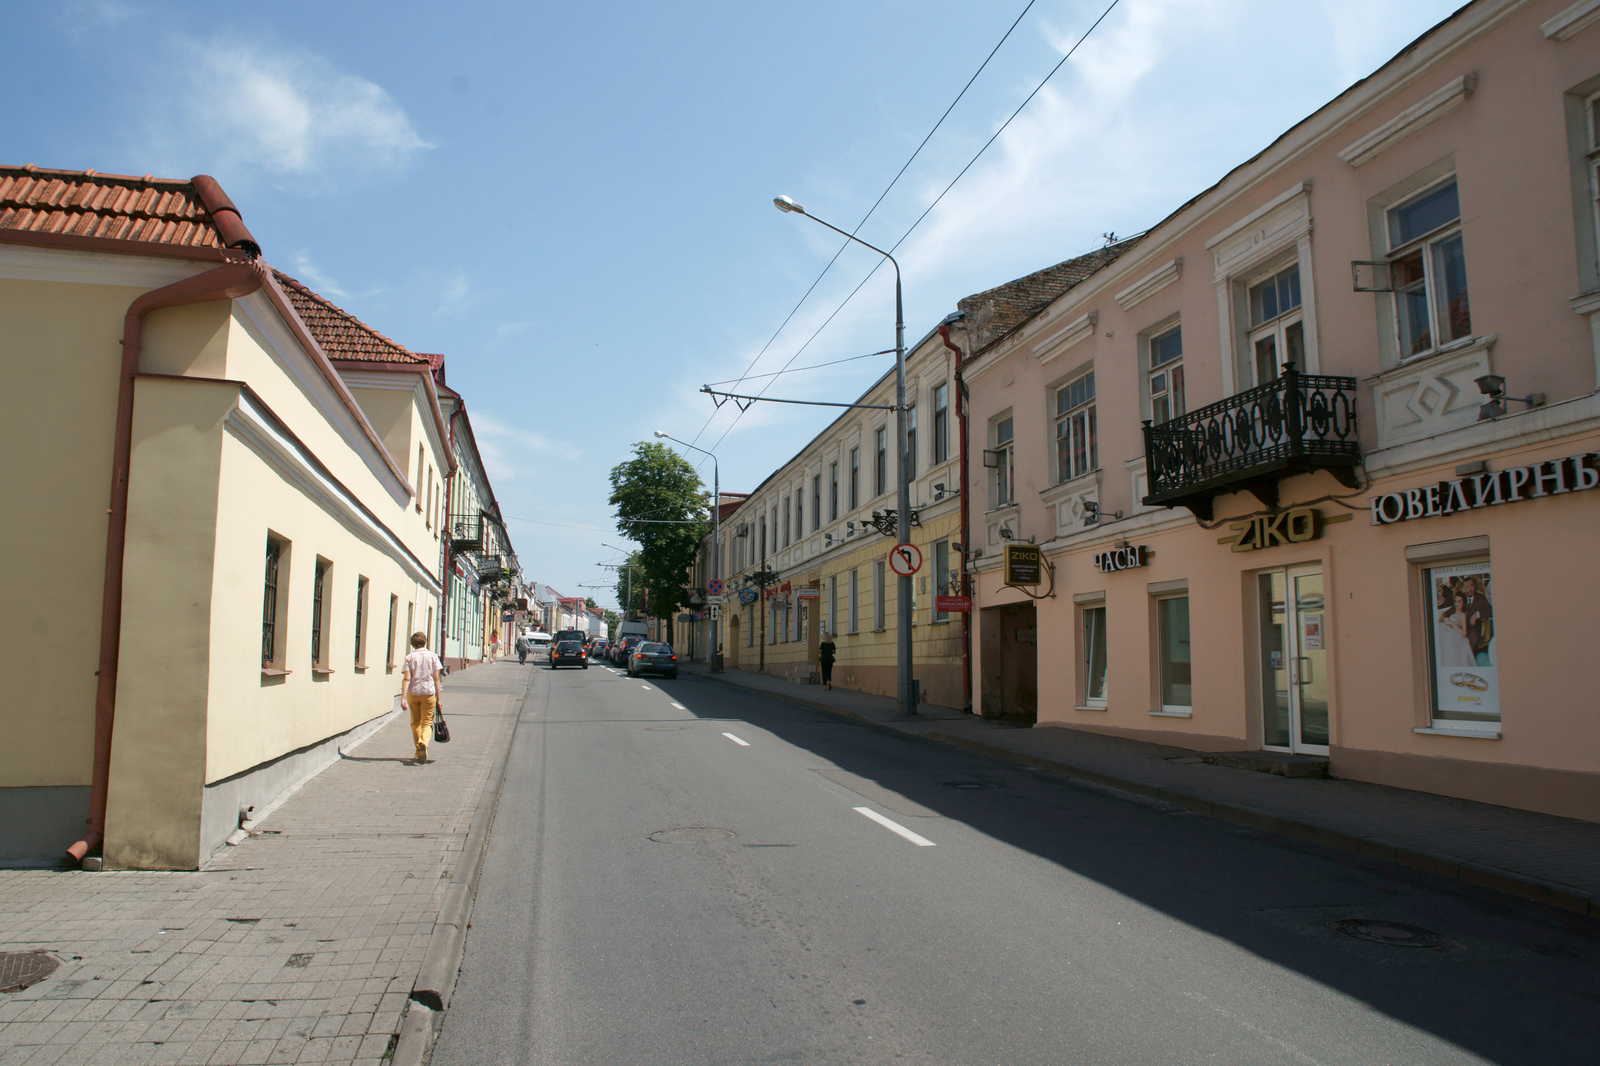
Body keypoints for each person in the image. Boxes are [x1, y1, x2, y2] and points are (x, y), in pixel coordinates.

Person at [402, 631, 444, 764]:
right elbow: (437, 678)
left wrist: (403, 698)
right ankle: (424, 742)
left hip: (413, 693)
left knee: (415, 722)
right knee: (427, 722)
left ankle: (417, 750)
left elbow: (406, 678)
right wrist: (439, 698)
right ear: (425, 642)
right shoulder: (433, 657)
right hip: (429, 693)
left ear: (413, 644)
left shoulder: (409, 658)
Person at [1460, 575, 1493, 667]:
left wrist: (1477, 614)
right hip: (1459, 628)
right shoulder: (1461, 598)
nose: (1470, 589)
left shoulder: (1481, 598)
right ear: (1464, 589)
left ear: (1474, 586)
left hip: (1472, 629)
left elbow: (1491, 611)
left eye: (1471, 586)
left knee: (1473, 637)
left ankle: (1467, 663)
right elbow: (1452, 609)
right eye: (1467, 587)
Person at [1435, 593, 1476, 668]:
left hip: (1456, 635)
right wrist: (1447, 622)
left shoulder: (1462, 615)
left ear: (1464, 604)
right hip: (1449, 631)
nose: (1457, 603)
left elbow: (1464, 633)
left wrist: (1452, 623)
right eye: (1456, 601)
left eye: (1459, 601)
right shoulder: (1453, 613)